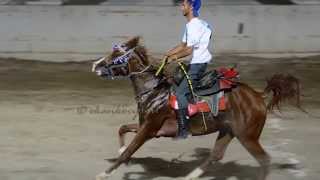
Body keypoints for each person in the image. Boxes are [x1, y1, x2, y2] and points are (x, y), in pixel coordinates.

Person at [165, 0, 213, 139]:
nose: (181, 7)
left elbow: (188, 50)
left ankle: (185, 129)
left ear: (191, 7)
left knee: (180, 93)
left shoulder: (193, 26)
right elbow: (183, 45)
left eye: (183, 5)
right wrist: (168, 54)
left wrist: (173, 58)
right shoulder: (199, 24)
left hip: (198, 64)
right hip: (199, 62)